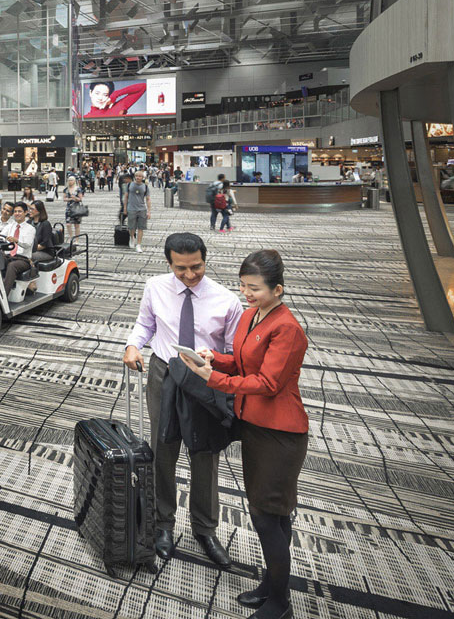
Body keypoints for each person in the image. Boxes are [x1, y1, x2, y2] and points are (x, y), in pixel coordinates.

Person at [180, 250, 307, 619]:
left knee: (269, 517)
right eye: (242, 286)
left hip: (281, 434)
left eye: (253, 288)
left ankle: (280, 603)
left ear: (278, 289)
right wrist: (212, 359)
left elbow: (267, 382)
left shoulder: (288, 328)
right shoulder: (251, 315)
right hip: (254, 427)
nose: (245, 294)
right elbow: (240, 361)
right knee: (270, 514)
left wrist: (212, 378)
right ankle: (272, 587)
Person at [123, 232, 242, 569]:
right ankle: (163, 524)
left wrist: (213, 361)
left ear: (206, 260)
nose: (190, 275)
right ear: (169, 263)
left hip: (205, 379)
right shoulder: (155, 287)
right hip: (164, 375)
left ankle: (205, 529)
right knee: (163, 451)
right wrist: (133, 345)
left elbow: (234, 353)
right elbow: (145, 324)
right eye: (181, 269)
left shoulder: (227, 300)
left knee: (205, 454)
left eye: (197, 267)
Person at [0, 202, 35, 294]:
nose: (17, 213)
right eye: (15, 211)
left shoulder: (30, 229)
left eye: (20, 211)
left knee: (12, 266)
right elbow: (1, 236)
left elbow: (27, 244)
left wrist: (16, 240)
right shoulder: (10, 226)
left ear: (26, 212)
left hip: (23, 259)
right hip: (9, 256)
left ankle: (4, 296)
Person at [123, 170, 151, 253]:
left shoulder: (145, 187)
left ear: (143, 178)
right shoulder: (129, 185)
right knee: (131, 227)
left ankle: (138, 245)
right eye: (137, 176)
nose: (138, 177)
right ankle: (132, 238)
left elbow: (148, 199)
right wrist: (125, 208)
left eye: (140, 176)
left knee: (141, 228)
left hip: (142, 209)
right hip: (131, 208)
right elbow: (126, 197)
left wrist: (149, 211)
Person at [29, 200, 55, 265]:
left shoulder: (45, 224)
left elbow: (44, 244)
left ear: (39, 211)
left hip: (45, 251)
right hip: (30, 249)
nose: (30, 211)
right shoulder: (29, 222)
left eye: (32, 209)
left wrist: (28, 250)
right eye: (30, 209)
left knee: (26, 256)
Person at [63, 175, 85, 241]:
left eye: (71, 180)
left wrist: (75, 198)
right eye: (69, 180)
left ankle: (77, 239)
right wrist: (70, 199)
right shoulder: (66, 189)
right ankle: (71, 237)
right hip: (69, 208)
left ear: (74, 181)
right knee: (68, 224)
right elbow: (64, 199)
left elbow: (80, 199)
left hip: (76, 208)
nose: (70, 181)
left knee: (76, 225)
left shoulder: (78, 189)